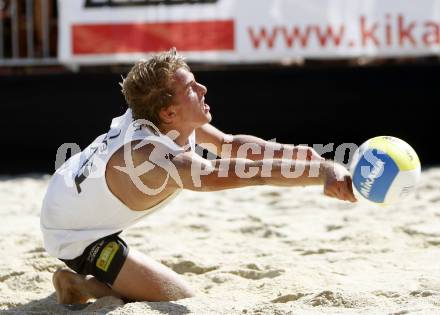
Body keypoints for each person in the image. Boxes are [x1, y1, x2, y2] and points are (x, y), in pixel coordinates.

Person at [40, 48, 356, 305]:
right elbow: (244, 173)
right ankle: (83, 286)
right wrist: (322, 172)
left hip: (71, 188)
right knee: (178, 297)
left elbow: (230, 145)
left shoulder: (166, 120)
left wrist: (304, 156)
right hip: (73, 233)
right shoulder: (154, 157)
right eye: (191, 87)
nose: (202, 89)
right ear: (168, 112)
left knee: (170, 295)